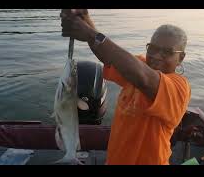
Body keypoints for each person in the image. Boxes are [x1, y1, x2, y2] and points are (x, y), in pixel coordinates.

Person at [60, 9, 191, 165]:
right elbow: (109, 58)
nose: (156, 56)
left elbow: (143, 78)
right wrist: (84, 18)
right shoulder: (138, 67)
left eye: (167, 52)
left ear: (180, 58)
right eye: (152, 48)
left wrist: (90, 34)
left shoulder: (178, 87)